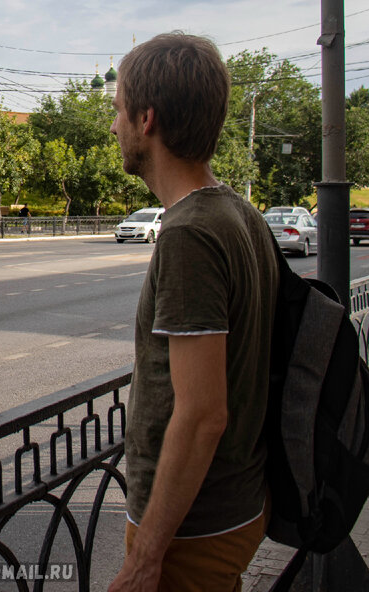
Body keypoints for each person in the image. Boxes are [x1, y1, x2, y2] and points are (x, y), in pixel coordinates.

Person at [107, 33, 277, 592]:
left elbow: (203, 414)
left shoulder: (189, 236)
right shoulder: (240, 214)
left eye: (118, 112)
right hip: (234, 505)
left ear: (146, 119)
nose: (114, 128)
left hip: (191, 529)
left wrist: (145, 558)